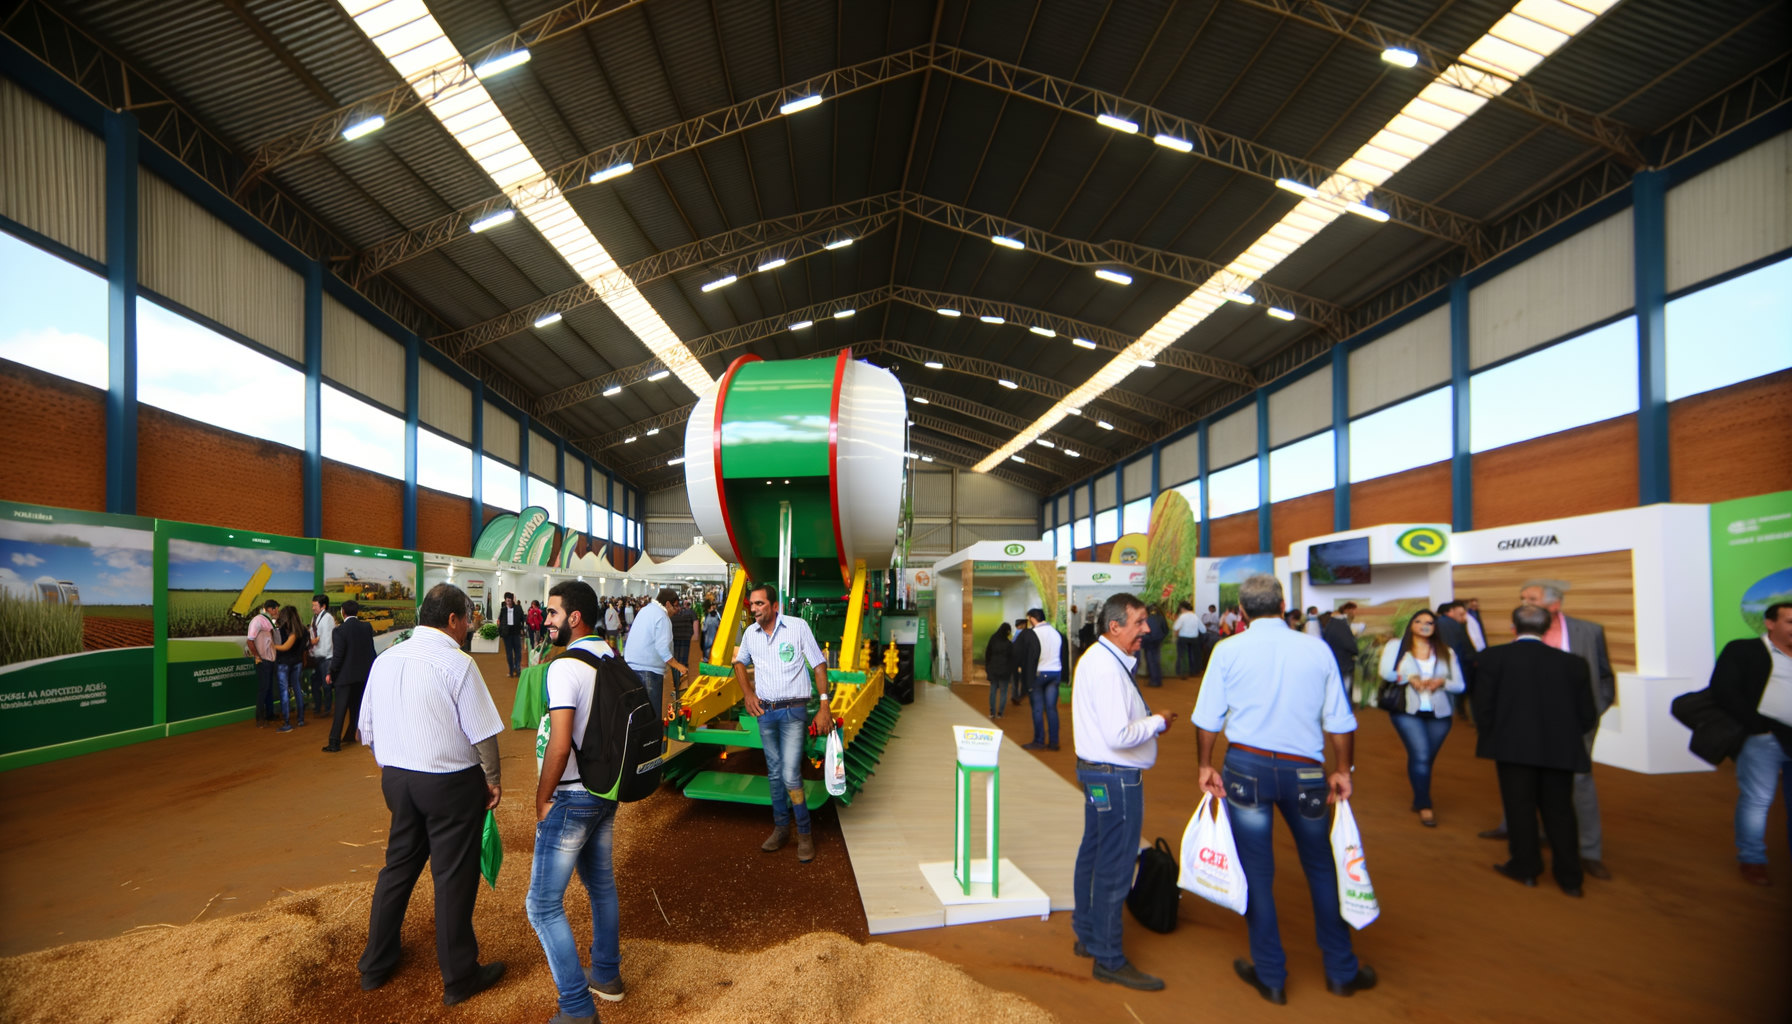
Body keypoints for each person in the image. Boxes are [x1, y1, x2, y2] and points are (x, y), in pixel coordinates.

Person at [1193, 574, 1374, 1005]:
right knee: (1322, 867)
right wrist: (1342, 770)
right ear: (1281, 605)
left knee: (1257, 872)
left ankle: (1271, 975)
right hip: (1306, 772)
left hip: (1246, 768)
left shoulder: (1228, 650)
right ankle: (1341, 971)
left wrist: (1205, 765)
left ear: (1242, 609)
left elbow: (1208, 718)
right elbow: (1340, 720)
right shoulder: (1316, 649)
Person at [357, 583, 507, 1006]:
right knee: (453, 876)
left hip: (397, 780)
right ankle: (459, 977)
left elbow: (367, 729)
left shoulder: (386, 659)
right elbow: (483, 734)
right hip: (449, 784)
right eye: (469, 618)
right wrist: (492, 781)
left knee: (398, 868)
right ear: (453, 620)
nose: (471, 626)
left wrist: (395, 767)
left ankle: (375, 965)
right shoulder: (458, 663)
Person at [527, 581, 626, 1022]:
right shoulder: (610, 655)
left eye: (552, 613)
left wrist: (542, 798)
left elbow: (560, 741)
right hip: (606, 789)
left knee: (542, 905)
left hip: (571, 795)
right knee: (600, 884)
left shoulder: (565, 666)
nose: (545, 619)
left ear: (575, 617)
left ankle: (576, 1008)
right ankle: (605, 974)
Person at [1070, 593, 1174, 991]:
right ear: (1115, 627)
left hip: (1098, 775)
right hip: (1116, 779)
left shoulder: (1096, 659)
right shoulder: (1108, 670)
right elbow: (1118, 735)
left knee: (1094, 852)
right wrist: (1157, 722)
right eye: (1139, 622)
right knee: (1114, 867)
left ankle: (1087, 934)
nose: (1146, 629)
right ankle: (1109, 958)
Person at [1480, 580, 1615, 882]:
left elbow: (1604, 675)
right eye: (1522, 598)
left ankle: (1588, 853)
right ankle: (1529, 843)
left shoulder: (1589, 632)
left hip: (1571, 729)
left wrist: (1592, 714)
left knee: (1579, 787)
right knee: (1527, 791)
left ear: (1555, 604)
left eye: (1531, 598)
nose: (1524, 603)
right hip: (1524, 730)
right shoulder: (1522, 629)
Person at [733, 584, 832, 863]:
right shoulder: (750, 634)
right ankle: (781, 829)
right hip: (765, 713)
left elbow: (819, 664)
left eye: (760, 604)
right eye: (752, 604)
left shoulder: (797, 628)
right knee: (775, 773)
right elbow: (739, 663)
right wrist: (748, 693)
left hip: (793, 712)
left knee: (789, 774)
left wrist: (824, 705)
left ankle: (804, 833)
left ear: (775, 606)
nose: (754, 608)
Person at [1707, 601, 1792, 886]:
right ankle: (1752, 859)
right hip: (1763, 739)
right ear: (1770, 623)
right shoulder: (1742, 650)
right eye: (1790, 621)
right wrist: (1758, 727)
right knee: (1757, 800)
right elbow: (1723, 691)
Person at [1378, 609, 1465, 827]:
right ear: (1411, 625)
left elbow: (1460, 685)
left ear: (1435, 627)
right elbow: (1386, 672)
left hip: (1440, 713)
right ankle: (1425, 804)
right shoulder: (1397, 646)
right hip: (1407, 711)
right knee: (1422, 754)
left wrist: (1441, 682)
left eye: (1429, 622)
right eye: (1418, 621)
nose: (1424, 625)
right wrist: (1409, 677)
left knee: (1424, 759)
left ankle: (1419, 796)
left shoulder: (1446, 651)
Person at [625, 588, 687, 719]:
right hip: (648, 671)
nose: (677, 610)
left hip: (632, 669)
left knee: (640, 714)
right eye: (675, 606)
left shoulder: (645, 611)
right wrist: (678, 666)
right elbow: (662, 648)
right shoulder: (662, 617)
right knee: (651, 716)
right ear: (668, 604)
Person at [322, 600, 374, 753]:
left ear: (342, 612)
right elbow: (370, 651)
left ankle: (334, 742)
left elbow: (338, 656)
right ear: (357, 612)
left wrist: (331, 672)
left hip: (344, 677)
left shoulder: (339, 630)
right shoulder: (366, 627)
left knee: (340, 710)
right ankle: (352, 734)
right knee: (356, 707)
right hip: (363, 675)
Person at [1023, 608, 1065, 751]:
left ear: (1032, 618)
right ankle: (1054, 742)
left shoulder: (1034, 633)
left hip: (1039, 673)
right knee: (1052, 709)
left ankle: (1039, 741)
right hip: (1055, 672)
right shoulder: (1055, 633)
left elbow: (1030, 655)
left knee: (1037, 709)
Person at [271, 604, 307, 732]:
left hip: (284, 663)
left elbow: (286, 647)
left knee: (284, 692)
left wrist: (271, 646)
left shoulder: (285, 630)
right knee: (297, 688)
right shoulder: (303, 630)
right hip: (297, 662)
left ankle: (287, 723)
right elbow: (305, 648)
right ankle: (301, 719)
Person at [246, 599, 280, 726]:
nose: (277, 612)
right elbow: (250, 640)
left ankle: (270, 715)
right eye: (276, 609)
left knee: (269, 688)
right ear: (270, 609)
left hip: (271, 659)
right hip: (263, 660)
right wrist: (257, 656)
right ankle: (260, 719)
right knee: (263, 689)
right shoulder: (257, 620)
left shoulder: (269, 621)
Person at [1320, 605, 1360, 702]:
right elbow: (1349, 644)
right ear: (1346, 611)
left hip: (1333, 662)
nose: (1354, 614)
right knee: (1344, 691)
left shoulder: (1329, 625)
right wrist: (1356, 650)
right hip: (1344, 663)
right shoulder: (1341, 625)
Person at [309, 594, 335, 718]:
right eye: (312, 605)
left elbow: (328, 639)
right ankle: (318, 706)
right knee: (315, 683)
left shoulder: (328, 618)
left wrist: (325, 654)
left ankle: (327, 709)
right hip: (317, 655)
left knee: (326, 684)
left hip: (326, 656)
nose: (313, 608)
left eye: (315, 605)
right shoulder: (314, 618)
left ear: (323, 606)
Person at [985, 622, 1014, 720]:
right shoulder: (1009, 644)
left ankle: (992, 712)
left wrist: (988, 668)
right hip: (1005, 671)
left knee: (993, 691)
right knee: (1003, 692)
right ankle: (1000, 713)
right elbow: (1011, 659)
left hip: (993, 669)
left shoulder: (993, 639)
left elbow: (987, 654)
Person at [670, 597, 698, 686]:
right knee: (684, 660)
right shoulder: (691, 612)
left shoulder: (672, 614)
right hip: (686, 639)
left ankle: (676, 682)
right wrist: (695, 635)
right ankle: (682, 683)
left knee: (675, 661)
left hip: (674, 639)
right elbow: (695, 623)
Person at [1139, 603, 1168, 688]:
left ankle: (1154, 681)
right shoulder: (1161, 617)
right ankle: (1157, 680)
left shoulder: (1146, 619)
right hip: (1157, 641)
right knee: (1156, 660)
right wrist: (1161, 638)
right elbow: (1166, 630)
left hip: (1148, 641)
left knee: (1151, 661)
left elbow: (1143, 631)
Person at [498, 593, 526, 677]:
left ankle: (518, 669)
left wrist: (522, 629)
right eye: (507, 600)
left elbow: (522, 619)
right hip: (507, 634)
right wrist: (501, 631)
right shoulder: (503, 609)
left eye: (509, 600)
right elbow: (501, 620)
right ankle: (511, 671)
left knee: (518, 652)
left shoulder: (518, 608)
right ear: (505, 600)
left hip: (516, 633)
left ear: (512, 600)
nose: (508, 602)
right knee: (509, 654)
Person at [1173, 601, 1202, 678]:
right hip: (1194, 639)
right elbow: (1203, 629)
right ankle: (1194, 672)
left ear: (1182, 608)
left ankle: (1181, 672)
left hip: (1183, 638)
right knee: (1193, 655)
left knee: (1181, 655)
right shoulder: (1195, 616)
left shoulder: (1182, 617)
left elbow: (1175, 627)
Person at [1011, 618, 1036, 707]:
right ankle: (1020, 695)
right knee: (1023, 679)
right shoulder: (1024, 634)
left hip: (1014, 661)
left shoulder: (1015, 634)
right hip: (1022, 661)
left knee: (1015, 680)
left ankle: (1015, 695)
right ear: (1023, 625)